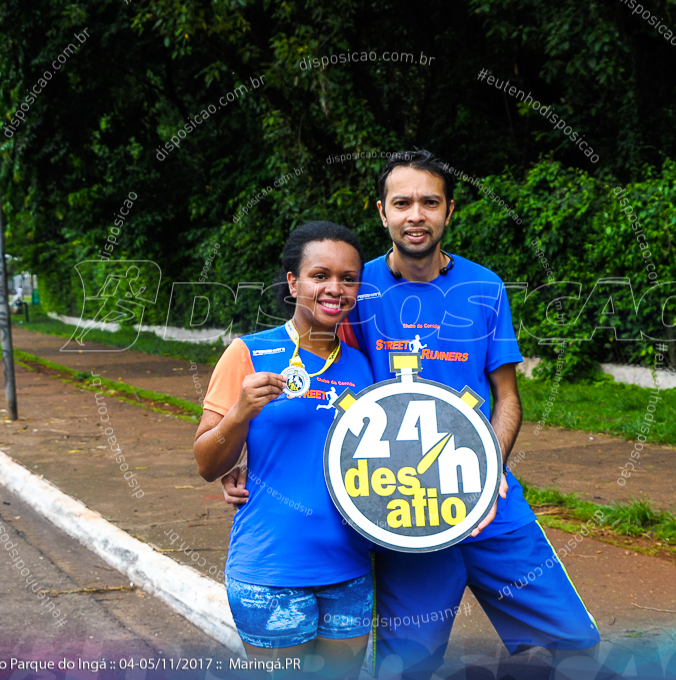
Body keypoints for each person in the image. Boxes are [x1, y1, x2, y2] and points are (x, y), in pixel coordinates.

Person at [224, 150, 602, 680]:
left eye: (429, 202)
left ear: (450, 211)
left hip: (488, 500)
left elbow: (508, 396)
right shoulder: (356, 288)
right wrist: (244, 455)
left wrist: (487, 474)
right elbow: (314, 377)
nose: (415, 215)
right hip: (400, 506)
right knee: (408, 667)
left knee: (575, 641)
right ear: (383, 212)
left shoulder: (484, 287)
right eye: (402, 203)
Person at [194, 222, 375, 679]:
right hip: (271, 569)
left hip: (351, 568)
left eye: (349, 278)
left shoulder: (364, 366)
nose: (335, 288)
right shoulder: (248, 353)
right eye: (320, 275)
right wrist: (238, 413)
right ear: (294, 283)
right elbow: (206, 463)